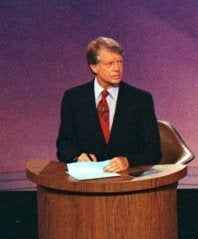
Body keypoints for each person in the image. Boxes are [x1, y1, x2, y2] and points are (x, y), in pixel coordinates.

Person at [56, 37, 161, 172]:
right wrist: (77, 156)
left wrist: (128, 161)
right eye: (110, 64)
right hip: (88, 183)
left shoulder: (140, 99)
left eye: (120, 62)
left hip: (128, 182)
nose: (117, 68)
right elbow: (64, 144)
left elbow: (154, 151)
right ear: (94, 67)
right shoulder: (74, 98)